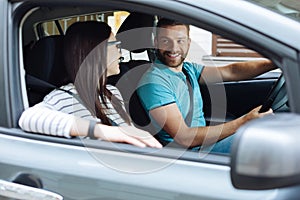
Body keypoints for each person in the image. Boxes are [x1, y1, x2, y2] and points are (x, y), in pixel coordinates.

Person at [137, 18, 275, 153]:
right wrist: (245, 121)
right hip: (190, 154)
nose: (173, 48)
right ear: (156, 43)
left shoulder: (188, 69)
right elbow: (184, 138)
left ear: (188, 43)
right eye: (165, 41)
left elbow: (231, 71)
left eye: (180, 41)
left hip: (203, 144)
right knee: (267, 141)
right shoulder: (154, 82)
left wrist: (275, 63)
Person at [19, 21, 162, 149]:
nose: (120, 53)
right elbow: (29, 118)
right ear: (95, 52)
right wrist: (102, 130)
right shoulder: (64, 98)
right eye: (116, 46)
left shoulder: (112, 92)